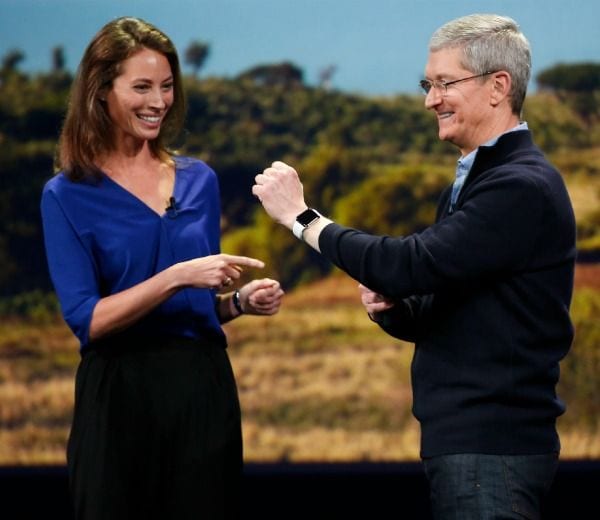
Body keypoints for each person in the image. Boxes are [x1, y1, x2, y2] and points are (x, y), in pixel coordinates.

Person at [253, 13, 576, 520]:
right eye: (428, 84)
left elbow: (409, 264)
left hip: (491, 451)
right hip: (471, 448)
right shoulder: (474, 184)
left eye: (445, 83)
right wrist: (394, 310)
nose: (430, 99)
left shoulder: (519, 186)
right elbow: (443, 304)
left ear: (498, 87)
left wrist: (303, 218)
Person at [40, 16, 284, 520]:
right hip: (120, 397)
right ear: (102, 92)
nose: (158, 102)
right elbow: (88, 320)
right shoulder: (66, 195)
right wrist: (176, 275)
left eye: (167, 87)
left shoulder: (199, 180)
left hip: (200, 391)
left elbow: (194, 308)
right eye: (142, 87)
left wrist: (237, 303)